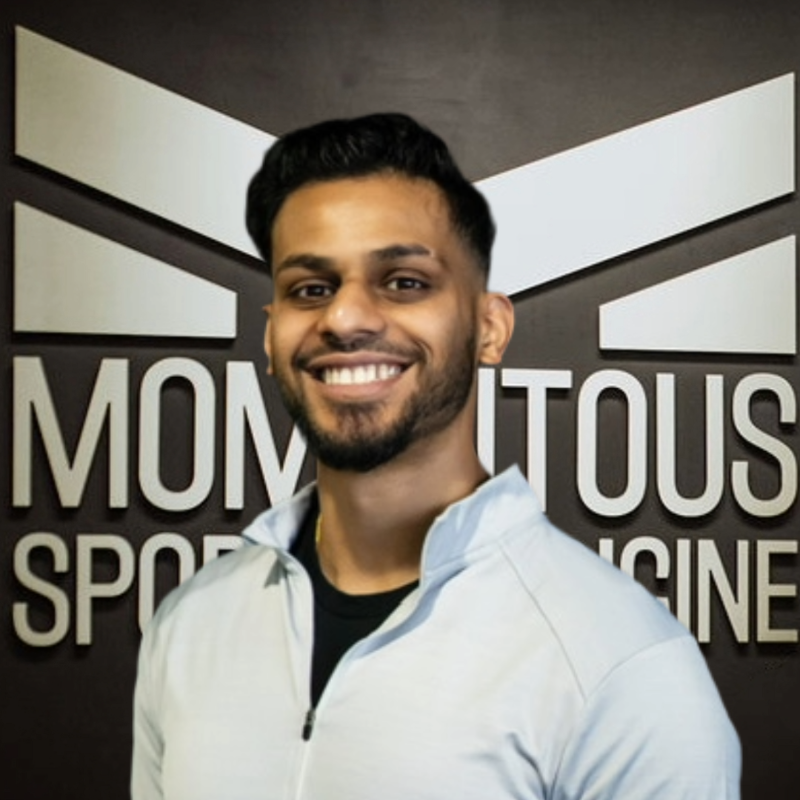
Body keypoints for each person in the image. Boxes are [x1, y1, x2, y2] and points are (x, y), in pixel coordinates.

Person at [131, 113, 740, 799]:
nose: (346, 318)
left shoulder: (621, 665)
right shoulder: (190, 623)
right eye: (311, 289)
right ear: (272, 339)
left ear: (489, 327)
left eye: (404, 282)